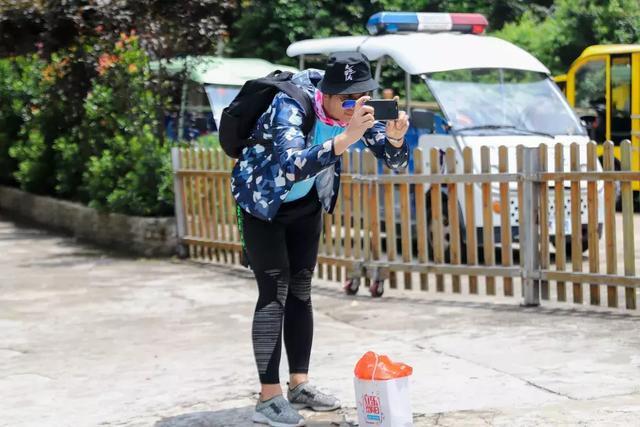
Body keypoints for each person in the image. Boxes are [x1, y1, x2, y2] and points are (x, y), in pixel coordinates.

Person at [231, 51, 409, 427]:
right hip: (263, 202)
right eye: (345, 100)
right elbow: (293, 163)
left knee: (301, 287)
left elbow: (393, 161)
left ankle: (299, 384)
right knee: (273, 291)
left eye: (360, 99)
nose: (353, 107)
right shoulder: (290, 103)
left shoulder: (357, 113)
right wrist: (347, 137)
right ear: (326, 94)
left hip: (306, 204)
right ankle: (268, 397)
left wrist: (393, 141)